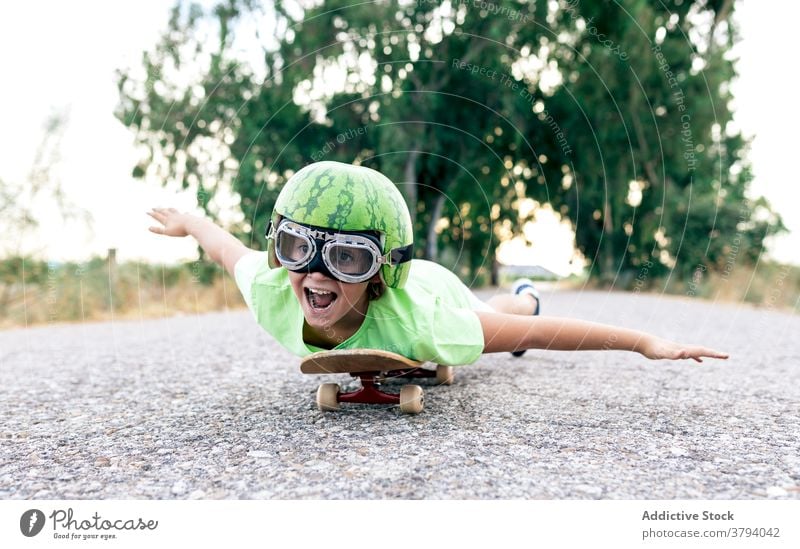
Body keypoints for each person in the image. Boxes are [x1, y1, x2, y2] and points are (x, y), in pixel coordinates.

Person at [147, 161, 728, 366]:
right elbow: (225, 248)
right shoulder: (273, 288)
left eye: (349, 257)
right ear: (281, 251)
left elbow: (541, 333)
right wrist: (188, 222)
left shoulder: (425, 322)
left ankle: (528, 287)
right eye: (299, 250)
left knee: (504, 314)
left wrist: (644, 342)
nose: (316, 272)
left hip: (438, 291)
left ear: (380, 272)